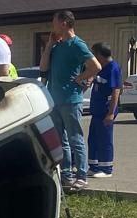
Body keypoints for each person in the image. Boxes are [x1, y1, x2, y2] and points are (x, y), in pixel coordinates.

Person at [39, 11, 101, 191]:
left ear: (64, 23)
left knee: (75, 138)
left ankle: (81, 176)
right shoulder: (57, 46)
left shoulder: (77, 44)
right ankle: (66, 175)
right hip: (54, 99)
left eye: (54, 21)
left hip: (71, 100)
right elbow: (43, 67)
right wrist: (50, 44)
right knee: (60, 140)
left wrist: (80, 78)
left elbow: (95, 66)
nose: (52, 25)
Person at [87, 43, 122, 178]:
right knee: (93, 139)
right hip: (97, 111)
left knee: (104, 140)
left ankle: (106, 169)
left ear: (100, 55)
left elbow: (115, 92)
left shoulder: (113, 68)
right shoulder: (101, 68)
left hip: (105, 111)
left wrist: (111, 113)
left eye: (94, 54)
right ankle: (94, 166)